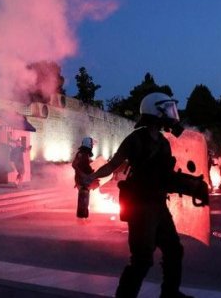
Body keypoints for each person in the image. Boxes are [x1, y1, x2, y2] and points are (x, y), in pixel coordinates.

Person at [84, 92, 197, 298]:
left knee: (174, 251)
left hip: (158, 204)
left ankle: (170, 293)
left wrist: (190, 185)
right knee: (142, 259)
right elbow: (112, 165)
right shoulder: (135, 140)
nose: (172, 114)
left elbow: (166, 174)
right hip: (140, 207)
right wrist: (91, 177)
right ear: (155, 111)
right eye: (167, 109)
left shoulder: (163, 142)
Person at [73, 137, 96, 219]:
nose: (92, 146)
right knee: (84, 197)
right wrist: (84, 174)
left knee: (84, 197)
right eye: (91, 144)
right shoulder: (82, 154)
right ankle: (82, 217)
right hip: (83, 180)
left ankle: (83, 216)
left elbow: (82, 166)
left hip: (82, 179)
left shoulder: (83, 153)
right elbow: (76, 165)